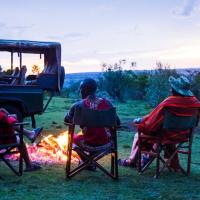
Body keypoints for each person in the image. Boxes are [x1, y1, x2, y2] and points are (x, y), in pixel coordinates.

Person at [119, 75, 200, 171]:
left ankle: (131, 161)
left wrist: (142, 121)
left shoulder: (169, 102)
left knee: (142, 134)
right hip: (183, 135)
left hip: (166, 135)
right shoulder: (195, 102)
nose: (170, 90)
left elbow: (153, 119)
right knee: (161, 134)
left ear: (175, 90)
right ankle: (147, 160)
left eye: (172, 88)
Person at [64, 78, 120, 168]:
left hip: (87, 143)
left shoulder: (77, 105)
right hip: (106, 143)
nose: (80, 91)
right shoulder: (108, 104)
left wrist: (70, 115)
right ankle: (89, 162)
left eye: (81, 89)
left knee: (72, 138)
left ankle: (87, 162)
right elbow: (118, 123)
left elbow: (66, 121)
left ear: (85, 90)